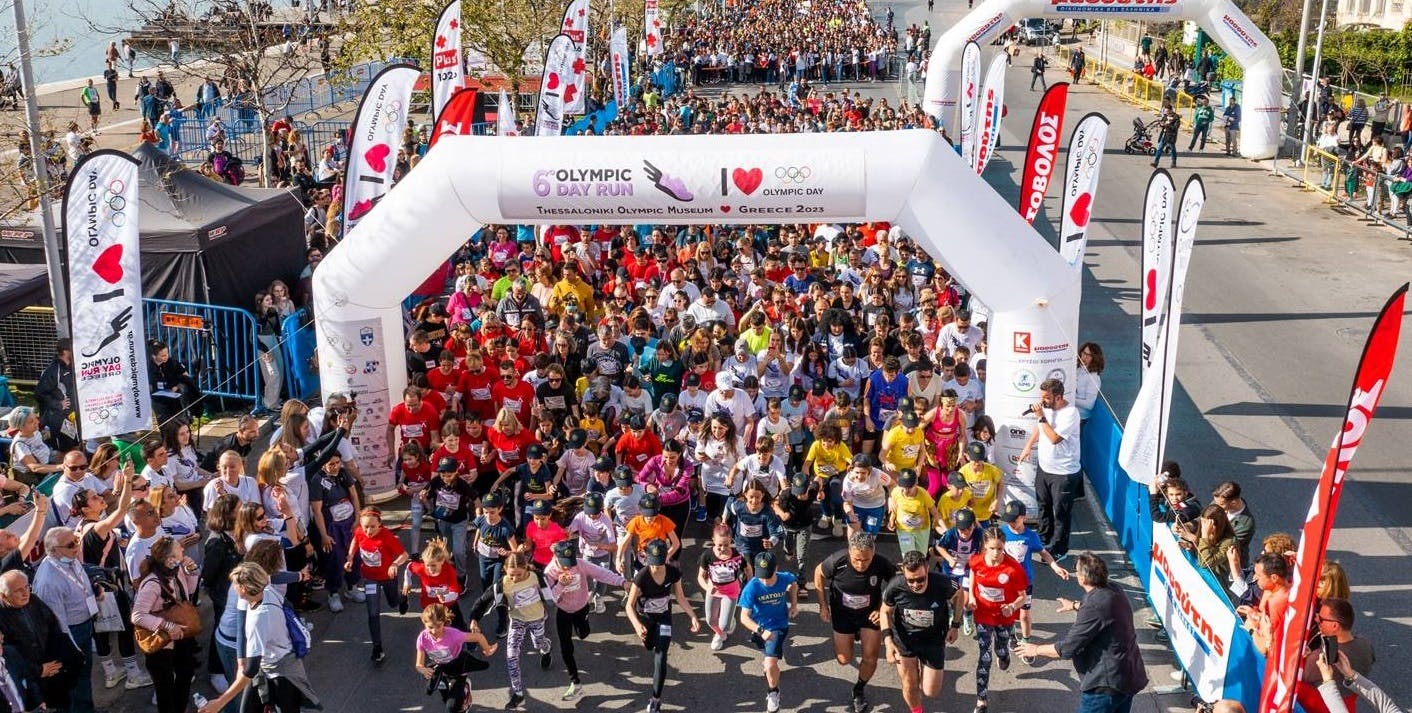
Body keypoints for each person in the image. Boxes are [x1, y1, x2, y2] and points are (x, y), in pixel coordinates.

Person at [1017, 553, 1150, 713]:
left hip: (1105, 685)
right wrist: (1074, 605)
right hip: (1128, 675)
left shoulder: (1093, 607)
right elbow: (1103, 611)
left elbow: (1067, 648)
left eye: (1076, 570)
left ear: (1082, 579)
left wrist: (1035, 650)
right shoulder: (1114, 589)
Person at [198, 563, 321, 713]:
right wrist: (241, 659)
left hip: (281, 674)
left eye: (235, 585)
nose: (233, 588)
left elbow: (250, 671)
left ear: (244, 589)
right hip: (269, 664)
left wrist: (219, 702)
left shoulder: (259, 619)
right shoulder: (266, 589)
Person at [815, 532, 895, 713]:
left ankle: (859, 689)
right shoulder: (837, 560)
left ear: (873, 553)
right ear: (849, 552)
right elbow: (818, 573)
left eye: (866, 560)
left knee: (870, 659)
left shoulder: (881, 563)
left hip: (869, 615)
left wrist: (882, 607)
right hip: (843, 615)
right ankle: (851, 636)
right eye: (857, 559)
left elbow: (896, 583)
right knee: (843, 660)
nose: (861, 564)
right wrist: (823, 605)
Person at [624, 538, 702, 713]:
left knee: (661, 656)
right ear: (646, 558)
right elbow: (629, 605)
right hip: (646, 618)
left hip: (664, 618)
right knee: (649, 645)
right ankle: (649, 640)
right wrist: (637, 625)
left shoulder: (673, 573)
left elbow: (680, 597)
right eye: (652, 563)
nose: (655, 567)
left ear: (666, 557)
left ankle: (655, 699)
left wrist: (693, 616)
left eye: (659, 563)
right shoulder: (642, 575)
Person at [543, 539, 625, 701]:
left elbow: (601, 573)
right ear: (555, 557)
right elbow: (550, 600)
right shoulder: (550, 572)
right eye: (564, 563)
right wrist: (560, 585)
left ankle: (586, 619)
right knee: (566, 649)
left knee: (583, 634)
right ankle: (576, 683)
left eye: (570, 562)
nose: (568, 567)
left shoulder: (580, 564)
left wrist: (622, 582)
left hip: (581, 608)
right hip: (564, 612)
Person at [880, 549, 961, 713]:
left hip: (933, 638)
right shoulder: (895, 586)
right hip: (905, 639)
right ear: (903, 572)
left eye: (921, 579)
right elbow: (884, 612)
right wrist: (888, 642)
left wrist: (955, 625)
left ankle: (923, 672)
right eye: (910, 580)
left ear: (927, 569)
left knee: (931, 691)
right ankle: (916, 710)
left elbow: (960, 595)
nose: (916, 584)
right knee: (910, 683)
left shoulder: (943, 583)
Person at [131, 536, 201, 713]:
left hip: (180, 635)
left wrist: (192, 573)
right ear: (169, 559)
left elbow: (188, 594)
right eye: (179, 549)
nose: (183, 550)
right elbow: (137, 616)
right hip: (160, 641)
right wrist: (168, 626)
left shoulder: (176, 571)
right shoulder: (152, 584)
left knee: (185, 673)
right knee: (165, 687)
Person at [0, 570, 83, 712]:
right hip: (30, 681)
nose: (25, 593)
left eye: (26, 587)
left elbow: (53, 628)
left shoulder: (34, 600)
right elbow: (8, 656)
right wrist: (38, 670)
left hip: (53, 668)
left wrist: (57, 661)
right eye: (18, 590)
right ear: (3, 595)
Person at [967, 526, 1030, 712]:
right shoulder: (977, 561)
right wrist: (971, 595)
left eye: (1000, 549)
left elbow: (1022, 596)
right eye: (992, 548)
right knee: (984, 656)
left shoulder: (1013, 569)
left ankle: (1004, 654)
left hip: (1004, 618)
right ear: (985, 546)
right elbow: (972, 573)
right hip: (983, 615)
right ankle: (981, 701)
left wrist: (1012, 606)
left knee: (1000, 649)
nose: (996, 553)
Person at [1019, 378, 1082, 558]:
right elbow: (1040, 428)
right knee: (1043, 505)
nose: (1043, 401)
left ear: (1058, 397)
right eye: (1042, 397)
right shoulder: (1047, 410)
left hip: (1064, 473)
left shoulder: (1071, 413)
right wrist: (1028, 445)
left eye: (1046, 398)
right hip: (1045, 467)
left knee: (1061, 513)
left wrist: (1040, 416)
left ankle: (1061, 548)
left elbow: (1054, 438)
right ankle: (1044, 538)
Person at [737, 550, 799, 713]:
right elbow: (744, 617)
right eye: (761, 575)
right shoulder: (752, 587)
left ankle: (773, 693)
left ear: (776, 568)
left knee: (769, 664)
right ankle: (773, 660)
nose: (765, 579)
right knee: (769, 659)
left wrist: (794, 605)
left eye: (768, 574)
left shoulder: (783, 577)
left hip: (779, 626)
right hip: (760, 630)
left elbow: (794, 583)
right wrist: (760, 630)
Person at [346, 507, 408, 664]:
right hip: (370, 578)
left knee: (393, 602)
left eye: (373, 526)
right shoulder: (360, 532)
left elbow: (404, 555)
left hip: (387, 577)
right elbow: (355, 540)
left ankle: (402, 599)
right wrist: (351, 557)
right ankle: (377, 648)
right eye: (366, 526)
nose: (368, 530)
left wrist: (394, 564)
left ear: (380, 525)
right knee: (373, 613)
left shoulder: (386, 536)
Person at [414, 603, 497, 713]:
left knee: (452, 707)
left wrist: (487, 649)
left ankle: (465, 690)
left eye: (438, 626)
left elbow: (478, 637)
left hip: (457, 667)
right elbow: (418, 664)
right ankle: (452, 692)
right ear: (424, 623)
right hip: (440, 669)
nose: (434, 631)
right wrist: (422, 669)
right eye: (430, 627)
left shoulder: (454, 635)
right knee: (445, 699)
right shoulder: (422, 638)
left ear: (444, 623)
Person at [1298, 597, 1376, 713]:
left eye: (1321, 619)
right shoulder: (1366, 645)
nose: (1317, 620)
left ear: (1335, 626)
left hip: (1320, 707)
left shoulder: (1319, 658)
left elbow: (1298, 677)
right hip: (1349, 706)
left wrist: (1305, 658)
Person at [34, 339, 77, 451]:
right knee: (62, 449)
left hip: (71, 415)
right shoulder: (52, 370)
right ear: (65, 351)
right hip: (57, 418)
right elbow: (39, 393)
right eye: (73, 348)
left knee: (75, 444)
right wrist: (58, 404)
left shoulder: (73, 366)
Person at [1152, 103, 1181, 168]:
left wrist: (1167, 125)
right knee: (1159, 148)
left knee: (1172, 149)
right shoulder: (1165, 116)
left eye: (1167, 111)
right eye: (1165, 111)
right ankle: (1156, 162)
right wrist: (1161, 124)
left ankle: (1174, 161)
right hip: (1164, 135)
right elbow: (1162, 122)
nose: (1166, 112)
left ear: (1171, 110)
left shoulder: (1176, 117)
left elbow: (1175, 127)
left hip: (1171, 136)